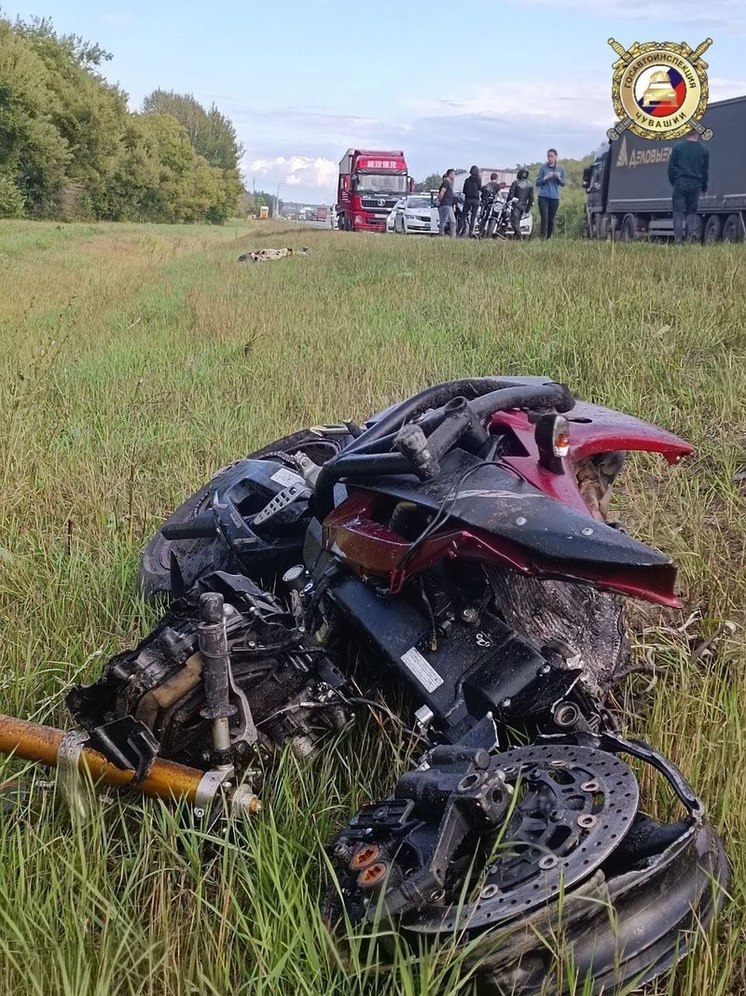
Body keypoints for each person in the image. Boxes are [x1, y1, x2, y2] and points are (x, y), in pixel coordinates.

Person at [668, 130, 709, 244]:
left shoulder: (678, 147)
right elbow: (705, 171)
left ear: (687, 133)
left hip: (680, 183)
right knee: (691, 211)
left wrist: (674, 182)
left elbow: (671, 168)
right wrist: (704, 188)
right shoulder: (704, 150)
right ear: (697, 135)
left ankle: (678, 240)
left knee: (678, 212)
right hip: (696, 184)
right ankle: (690, 238)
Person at [536, 149, 565, 239]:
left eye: (551, 156)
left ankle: (548, 238)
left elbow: (563, 184)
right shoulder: (543, 168)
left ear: (556, 157)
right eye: (548, 156)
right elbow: (537, 183)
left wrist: (558, 177)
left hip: (554, 197)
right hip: (543, 196)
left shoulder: (560, 169)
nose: (550, 158)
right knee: (544, 218)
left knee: (551, 219)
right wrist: (545, 177)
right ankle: (542, 238)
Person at [507, 169, 534, 239]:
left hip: (516, 205)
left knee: (514, 223)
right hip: (524, 205)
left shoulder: (515, 183)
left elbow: (510, 195)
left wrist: (508, 202)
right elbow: (531, 199)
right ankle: (516, 238)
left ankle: (520, 237)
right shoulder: (530, 184)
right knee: (517, 222)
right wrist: (528, 209)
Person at [458, 165, 482, 237]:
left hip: (468, 199)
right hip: (476, 200)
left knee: (463, 216)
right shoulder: (479, 180)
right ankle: (471, 233)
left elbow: (464, 191)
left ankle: (459, 231)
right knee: (473, 217)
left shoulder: (467, 180)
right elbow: (479, 188)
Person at [437, 169, 457, 237]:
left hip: (449, 204)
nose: (454, 176)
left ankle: (453, 236)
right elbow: (442, 192)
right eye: (454, 174)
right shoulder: (446, 182)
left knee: (453, 221)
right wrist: (440, 200)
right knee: (443, 220)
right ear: (450, 174)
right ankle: (441, 234)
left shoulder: (450, 183)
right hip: (445, 204)